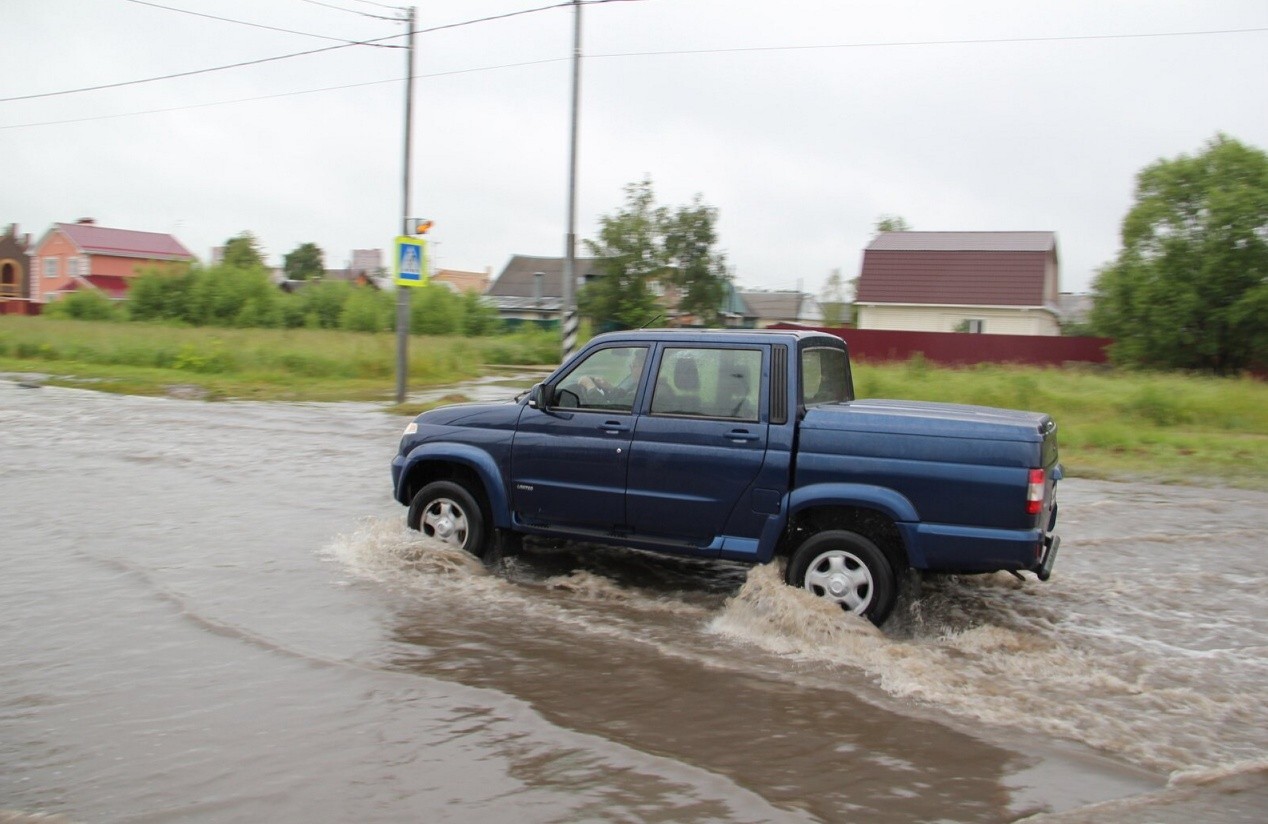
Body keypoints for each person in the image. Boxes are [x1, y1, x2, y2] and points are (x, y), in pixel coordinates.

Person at [579, 348, 646, 405]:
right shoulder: (644, 388)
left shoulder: (640, 394)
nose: (631, 369)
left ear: (643, 368)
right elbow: (623, 399)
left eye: (634, 366)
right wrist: (610, 388)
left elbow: (605, 410)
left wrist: (590, 387)